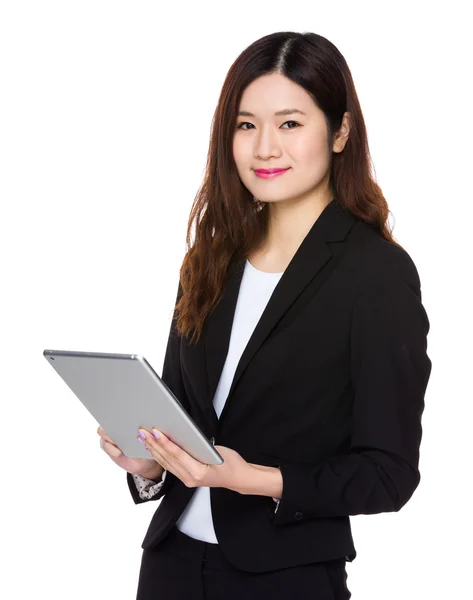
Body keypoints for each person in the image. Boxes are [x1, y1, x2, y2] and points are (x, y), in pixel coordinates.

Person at [98, 31, 432, 600]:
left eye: (290, 123)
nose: (264, 148)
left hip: (285, 579)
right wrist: (150, 464)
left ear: (341, 132)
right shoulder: (212, 255)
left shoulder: (375, 274)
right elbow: (187, 418)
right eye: (246, 125)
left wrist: (252, 480)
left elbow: (389, 474)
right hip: (170, 569)